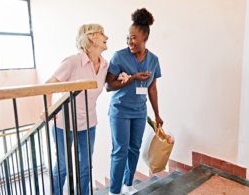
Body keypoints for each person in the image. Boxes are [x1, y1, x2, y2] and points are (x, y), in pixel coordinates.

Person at [43, 23, 108, 195]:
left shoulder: (104, 65)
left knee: (86, 166)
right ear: (92, 37)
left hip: (89, 124)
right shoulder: (72, 62)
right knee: (63, 167)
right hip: (63, 125)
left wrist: (124, 77)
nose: (106, 37)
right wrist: (49, 110)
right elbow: (48, 85)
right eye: (102, 34)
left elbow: (107, 82)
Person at [106, 8, 164, 195]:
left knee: (134, 149)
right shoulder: (119, 56)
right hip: (120, 111)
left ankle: (128, 185)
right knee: (120, 151)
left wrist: (157, 114)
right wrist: (131, 78)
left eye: (133, 37)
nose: (130, 41)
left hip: (139, 112)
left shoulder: (153, 60)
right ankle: (114, 191)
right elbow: (109, 86)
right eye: (128, 37)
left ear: (145, 36)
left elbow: (152, 88)